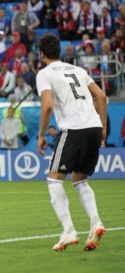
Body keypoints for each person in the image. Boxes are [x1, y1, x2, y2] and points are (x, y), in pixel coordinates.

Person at [36, 34, 107, 252]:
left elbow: (47, 105)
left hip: (73, 129)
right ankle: (95, 223)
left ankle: (68, 231)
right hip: (93, 127)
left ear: (41, 54)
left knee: (54, 179)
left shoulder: (44, 74)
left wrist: (40, 135)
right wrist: (102, 129)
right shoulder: (78, 70)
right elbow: (101, 97)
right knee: (80, 180)